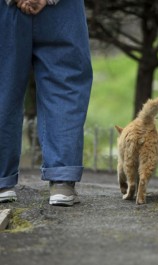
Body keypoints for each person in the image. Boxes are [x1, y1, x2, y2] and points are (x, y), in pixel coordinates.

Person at [0, 0, 93, 206]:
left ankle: (1, 183)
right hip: (63, 10)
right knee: (64, 83)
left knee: (2, 87)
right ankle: (62, 181)